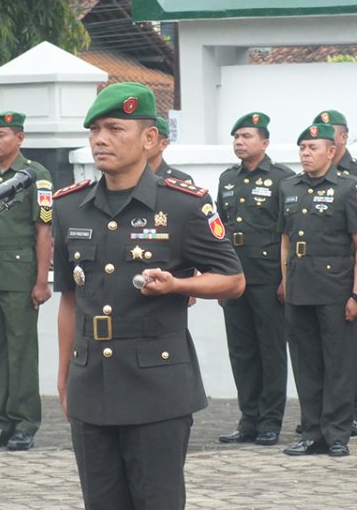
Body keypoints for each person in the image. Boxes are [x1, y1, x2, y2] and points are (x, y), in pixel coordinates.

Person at [54, 82, 245, 508]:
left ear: (149, 139)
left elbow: (232, 280)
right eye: (95, 130)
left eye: (115, 129)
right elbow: (69, 298)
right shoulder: (69, 207)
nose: (101, 139)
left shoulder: (184, 205)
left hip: (156, 387)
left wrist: (180, 285)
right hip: (91, 383)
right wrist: (65, 376)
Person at [279, 122, 357, 457]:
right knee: (306, 363)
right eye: (302, 148)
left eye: (313, 148)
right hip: (300, 289)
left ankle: (337, 433)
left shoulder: (350, 187)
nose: (306, 153)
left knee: (339, 363)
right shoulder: (288, 187)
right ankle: (312, 431)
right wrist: (286, 283)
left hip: (336, 289)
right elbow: (286, 241)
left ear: (331, 151)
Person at [0, 111, 53, 451]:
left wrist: (41, 281)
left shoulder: (36, 175)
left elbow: (43, 230)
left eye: (1, 135)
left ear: (19, 138)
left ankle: (25, 422)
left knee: (20, 350)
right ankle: (0, 421)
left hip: (19, 274)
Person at [216, 112, 293, 447]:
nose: (239, 142)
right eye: (236, 137)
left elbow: (288, 232)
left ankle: (270, 421)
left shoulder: (283, 179)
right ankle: (248, 419)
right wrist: (219, 275)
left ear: (265, 142)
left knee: (271, 350)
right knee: (242, 351)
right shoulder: (227, 178)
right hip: (235, 277)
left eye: (246, 136)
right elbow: (218, 229)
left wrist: (285, 279)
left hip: (268, 278)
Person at [313, 109, 357, 435]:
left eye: (331, 132)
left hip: (348, 273)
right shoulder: (305, 180)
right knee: (318, 350)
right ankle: (324, 413)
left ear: (342, 138)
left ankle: (351, 410)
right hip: (317, 277)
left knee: (350, 350)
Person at [149, 117, 193, 182]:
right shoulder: (131, 178)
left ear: (163, 144)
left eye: (149, 138)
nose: (143, 143)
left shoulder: (179, 181)